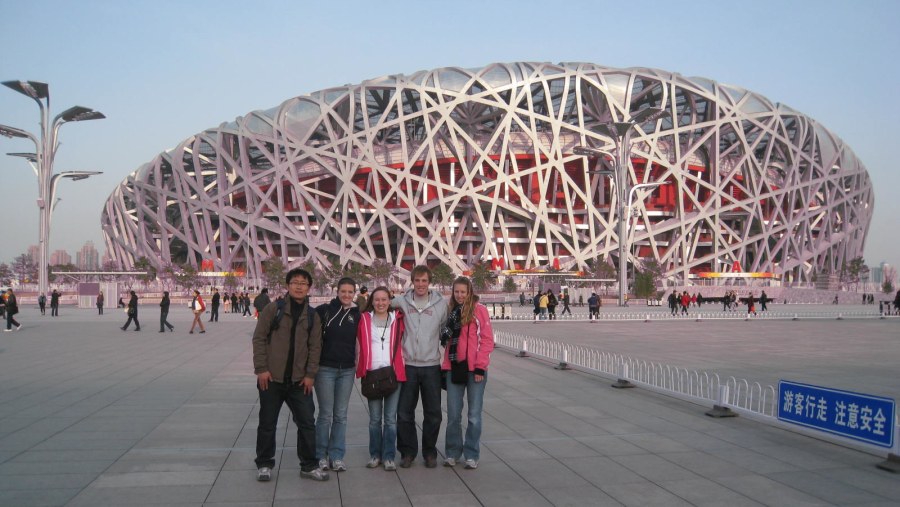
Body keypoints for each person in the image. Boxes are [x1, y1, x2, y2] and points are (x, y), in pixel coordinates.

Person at [252, 268, 327, 482]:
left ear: (309, 288)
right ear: (288, 285)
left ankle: (308, 465)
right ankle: (264, 463)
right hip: (272, 378)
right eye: (295, 282)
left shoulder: (312, 316)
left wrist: (310, 374)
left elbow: (315, 348)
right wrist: (261, 369)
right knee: (267, 423)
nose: (299, 286)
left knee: (306, 423)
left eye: (304, 283)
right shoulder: (272, 309)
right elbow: (259, 339)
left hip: (298, 381)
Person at [390, 265, 447, 469]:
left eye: (424, 280)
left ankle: (430, 452)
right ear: (412, 281)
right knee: (404, 412)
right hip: (409, 366)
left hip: (431, 366)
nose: (421, 284)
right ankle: (408, 452)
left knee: (433, 413)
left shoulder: (441, 304)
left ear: (429, 282)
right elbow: (379, 304)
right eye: (417, 280)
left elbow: (447, 328)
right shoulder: (402, 302)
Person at [442, 277, 495, 470]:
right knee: (454, 415)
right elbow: (447, 343)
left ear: (470, 292)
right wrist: (445, 367)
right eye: (456, 292)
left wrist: (481, 366)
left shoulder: (478, 311)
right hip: (455, 368)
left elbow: (487, 340)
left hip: (475, 371)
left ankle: (471, 454)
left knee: (473, 415)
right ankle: (452, 452)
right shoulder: (451, 311)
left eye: (463, 292)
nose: (460, 295)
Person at [357, 286, 405, 471]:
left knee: (390, 419)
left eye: (384, 299)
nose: (380, 303)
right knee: (375, 419)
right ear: (371, 300)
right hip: (372, 375)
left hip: (393, 374)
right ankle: (375, 455)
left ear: (390, 300)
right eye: (377, 299)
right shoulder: (363, 320)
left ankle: (389, 457)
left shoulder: (398, 319)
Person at [314, 278, 360, 473]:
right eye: (344, 291)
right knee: (325, 415)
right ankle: (320, 455)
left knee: (341, 415)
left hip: (347, 370)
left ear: (355, 293)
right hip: (325, 369)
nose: (347, 295)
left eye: (350, 292)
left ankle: (337, 456)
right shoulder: (325, 311)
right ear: (337, 291)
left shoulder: (358, 314)